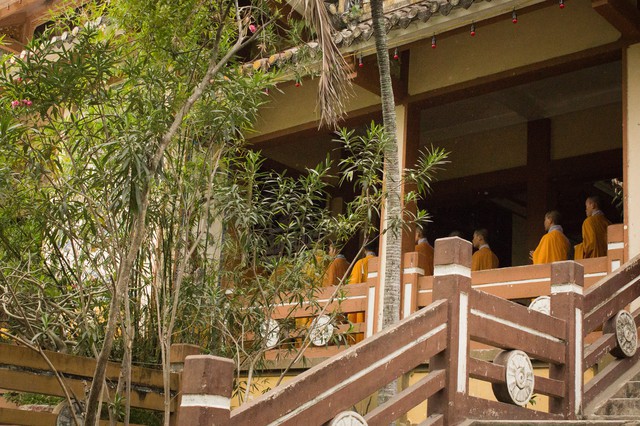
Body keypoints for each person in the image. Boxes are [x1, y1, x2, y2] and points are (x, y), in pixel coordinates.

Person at [574, 195, 611, 259]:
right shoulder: (608, 223)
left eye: (586, 206)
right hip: (607, 259)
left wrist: (577, 248)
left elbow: (590, 244)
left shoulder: (589, 222)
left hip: (594, 260)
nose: (586, 210)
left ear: (593, 205)